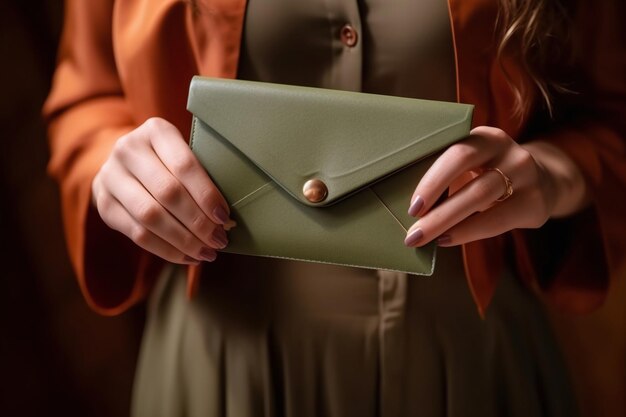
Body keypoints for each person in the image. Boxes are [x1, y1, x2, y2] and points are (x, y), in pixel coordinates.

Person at [44, 0, 625, 416]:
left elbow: (613, 117)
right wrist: (111, 167)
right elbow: (87, 96)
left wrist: (554, 175)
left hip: (470, 363)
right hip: (225, 366)